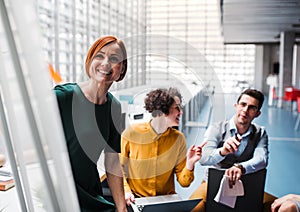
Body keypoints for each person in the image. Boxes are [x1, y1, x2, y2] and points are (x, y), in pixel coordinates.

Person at [54, 35, 127, 212]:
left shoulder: (115, 108)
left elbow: (112, 162)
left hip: (91, 196)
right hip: (59, 196)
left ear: (121, 70)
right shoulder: (62, 97)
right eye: (100, 56)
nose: (106, 63)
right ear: (90, 61)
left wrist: (122, 208)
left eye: (114, 58)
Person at [189, 88, 276, 212]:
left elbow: (261, 159)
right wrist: (222, 151)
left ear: (257, 114)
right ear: (236, 106)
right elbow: (203, 159)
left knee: (278, 207)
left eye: (252, 107)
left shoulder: (260, 133)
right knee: (192, 208)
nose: (245, 110)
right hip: (212, 184)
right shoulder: (216, 128)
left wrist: (240, 167)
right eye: (243, 104)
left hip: (246, 184)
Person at [120, 87, 206, 206]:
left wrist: (190, 164)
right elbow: (119, 168)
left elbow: (184, 183)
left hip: (165, 201)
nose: (181, 112)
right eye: (177, 108)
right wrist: (126, 192)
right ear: (162, 110)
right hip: (136, 200)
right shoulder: (131, 134)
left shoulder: (178, 139)